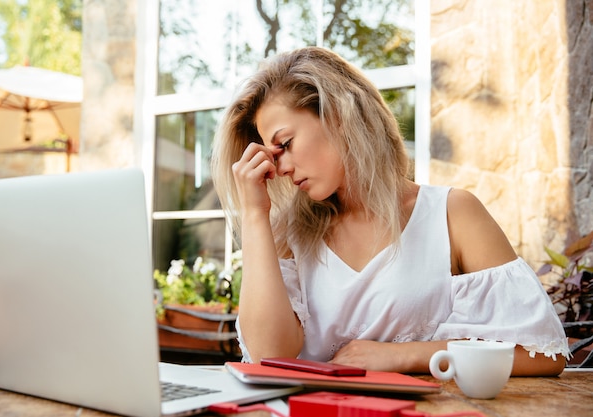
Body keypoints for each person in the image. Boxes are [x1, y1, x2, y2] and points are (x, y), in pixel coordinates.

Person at [210, 46, 569, 376]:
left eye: (285, 144)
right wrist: (255, 215)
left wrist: (406, 355)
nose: (282, 168)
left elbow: (542, 352)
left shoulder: (452, 213)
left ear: (337, 114)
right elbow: (266, 359)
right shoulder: (288, 234)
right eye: (274, 157)